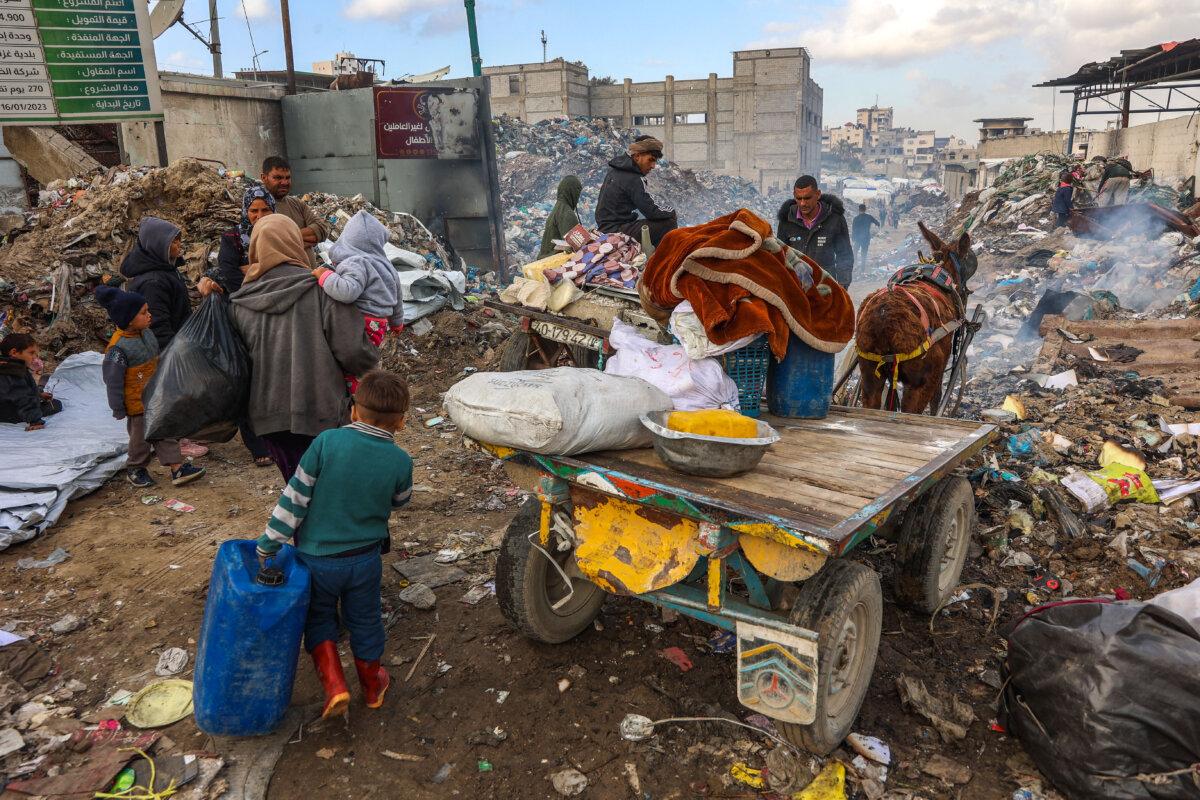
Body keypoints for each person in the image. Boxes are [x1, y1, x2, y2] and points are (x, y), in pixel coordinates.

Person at [255, 369, 412, 719]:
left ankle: (335, 685)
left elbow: (295, 497)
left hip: (317, 559)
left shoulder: (326, 442)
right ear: (401, 423)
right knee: (366, 619)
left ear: (353, 411)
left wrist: (269, 543)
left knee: (319, 617)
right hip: (365, 560)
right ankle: (372, 686)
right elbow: (402, 500)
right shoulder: (400, 460)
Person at [229, 214, 379, 483]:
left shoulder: (240, 303)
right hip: (323, 415)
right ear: (294, 243)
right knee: (331, 491)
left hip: (268, 420)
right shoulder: (322, 289)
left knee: (298, 490)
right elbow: (354, 352)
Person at [197, 186, 277, 467]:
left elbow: (288, 267)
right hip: (242, 313)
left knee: (271, 376)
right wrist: (257, 270)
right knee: (247, 375)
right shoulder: (232, 237)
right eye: (253, 210)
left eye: (264, 210)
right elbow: (230, 273)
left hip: (274, 314)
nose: (258, 216)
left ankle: (277, 435)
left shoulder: (280, 231)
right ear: (245, 211)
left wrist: (251, 269)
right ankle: (257, 444)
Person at [95, 286, 206, 488]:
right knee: (140, 441)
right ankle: (136, 468)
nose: (149, 315)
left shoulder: (147, 335)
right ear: (129, 319)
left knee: (165, 432)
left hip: (156, 398)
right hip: (137, 405)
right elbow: (112, 381)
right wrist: (118, 407)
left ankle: (177, 468)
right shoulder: (118, 348)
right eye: (143, 312)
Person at [120, 216, 207, 459]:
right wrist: (171, 353)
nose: (179, 245)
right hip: (163, 347)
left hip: (173, 342)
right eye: (173, 241)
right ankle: (176, 440)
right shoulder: (153, 280)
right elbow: (156, 322)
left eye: (179, 239)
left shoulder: (164, 270)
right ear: (158, 244)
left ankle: (181, 434)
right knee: (170, 394)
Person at [311, 210, 403, 392]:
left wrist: (325, 276)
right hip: (380, 323)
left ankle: (356, 397)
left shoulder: (356, 262)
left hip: (361, 322)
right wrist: (397, 322)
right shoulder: (385, 264)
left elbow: (347, 292)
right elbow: (397, 295)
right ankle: (370, 389)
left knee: (352, 362)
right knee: (368, 359)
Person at [595, 136, 678, 246]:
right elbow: (651, 211)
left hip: (606, 227)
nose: (653, 166)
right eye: (651, 160)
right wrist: (672, 212)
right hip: (616, 231)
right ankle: (658, 258)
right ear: (638, 156)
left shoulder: (615, 170)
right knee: (668, 224)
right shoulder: (633, 178)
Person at [776, 175, 855, 287]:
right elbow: (781, 256)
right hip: (797, 286)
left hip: (826, 286)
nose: (803, 203)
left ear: (818, 194)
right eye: (799, 198)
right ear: (794, 196)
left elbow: (844, 255)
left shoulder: (834, 219)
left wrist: (843, 284)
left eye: (807, 198)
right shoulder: (787, 220)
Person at [259, 156, 331, 268]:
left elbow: (322, 229)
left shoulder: (297, 203)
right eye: (278, 178)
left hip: (309, 276)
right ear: (264, 178)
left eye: (287, 178)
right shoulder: (259, 208)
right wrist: (306, 238)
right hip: (285, 281)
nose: (284, 182)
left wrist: (285, 241)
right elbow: (268, 245)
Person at [0, 332, 61, 431]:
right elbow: (23, 398)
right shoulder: (12, 371)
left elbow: (25, 387)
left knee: (38, 396)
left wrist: (39, 394)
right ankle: (40, 387)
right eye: (31, 353)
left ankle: (40, 389)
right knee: (55, 405)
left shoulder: (11, 366)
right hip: (8, 412)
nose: (34, 357)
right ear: (14, 353)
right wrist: (35, 421)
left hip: (7, 405)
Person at [537, 175, 582, 258]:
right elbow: (575, 246)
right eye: (577, 191)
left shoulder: (558, 208)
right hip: (553, 262)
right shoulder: (567, 213)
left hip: (545, 259)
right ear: (572, 192)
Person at [851, 203, 880, 270]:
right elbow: (877, 223)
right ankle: (862, 268)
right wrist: (874, 231)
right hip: (866, 238)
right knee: (864, 253)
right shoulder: (869, 217)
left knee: (855, 251)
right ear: (865, 209)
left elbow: (853, 229)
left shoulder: (856, 218)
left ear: (859, 210)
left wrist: (853, 238)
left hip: (858, 239)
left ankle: (855, 265)